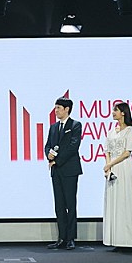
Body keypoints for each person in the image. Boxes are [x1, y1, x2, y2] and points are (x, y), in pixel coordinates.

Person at [102, 102, 132, 252]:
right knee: (114, 203)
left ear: (123, 113)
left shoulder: (131, 130)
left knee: (125, 202)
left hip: (124, 167)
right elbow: (107, 150)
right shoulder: (111, 131)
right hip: (112, 168)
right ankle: (117, 240)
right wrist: (108, 166)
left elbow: (127, 152)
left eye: (116, 110)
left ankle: (129, 241)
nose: (113, 112)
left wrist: (111, 164)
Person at [44, 97, 83, 250]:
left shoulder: (75, 125)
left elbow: (73, 147)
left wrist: (57, 160)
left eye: (58, 108)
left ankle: (71, 238)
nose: (56, 111)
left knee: (70, 204)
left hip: (70, 170)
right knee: (59, 205)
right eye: (55, 108)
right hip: (56, 171)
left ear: (67, 109)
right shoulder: (54, 127)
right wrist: (49, 155)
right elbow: (48, 145)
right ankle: (62, 238)